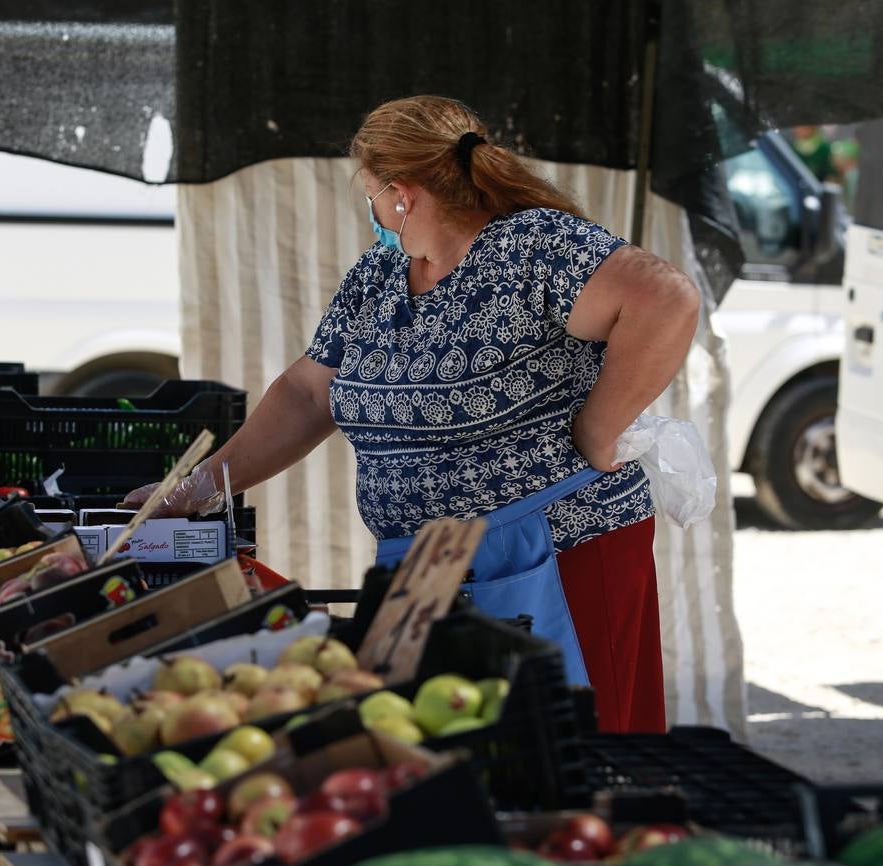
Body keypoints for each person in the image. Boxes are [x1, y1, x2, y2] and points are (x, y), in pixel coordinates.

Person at [125, 96, 699, 732]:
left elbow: (666, 299)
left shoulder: (534, 246)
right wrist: (196, 488)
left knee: (574, 755)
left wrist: (599, 426)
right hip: (427, 568)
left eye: (369, 193)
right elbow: (309, 394)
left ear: (400, 193)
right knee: (451, 752)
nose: (370, 210)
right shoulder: (380, 273)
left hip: (554, 555)